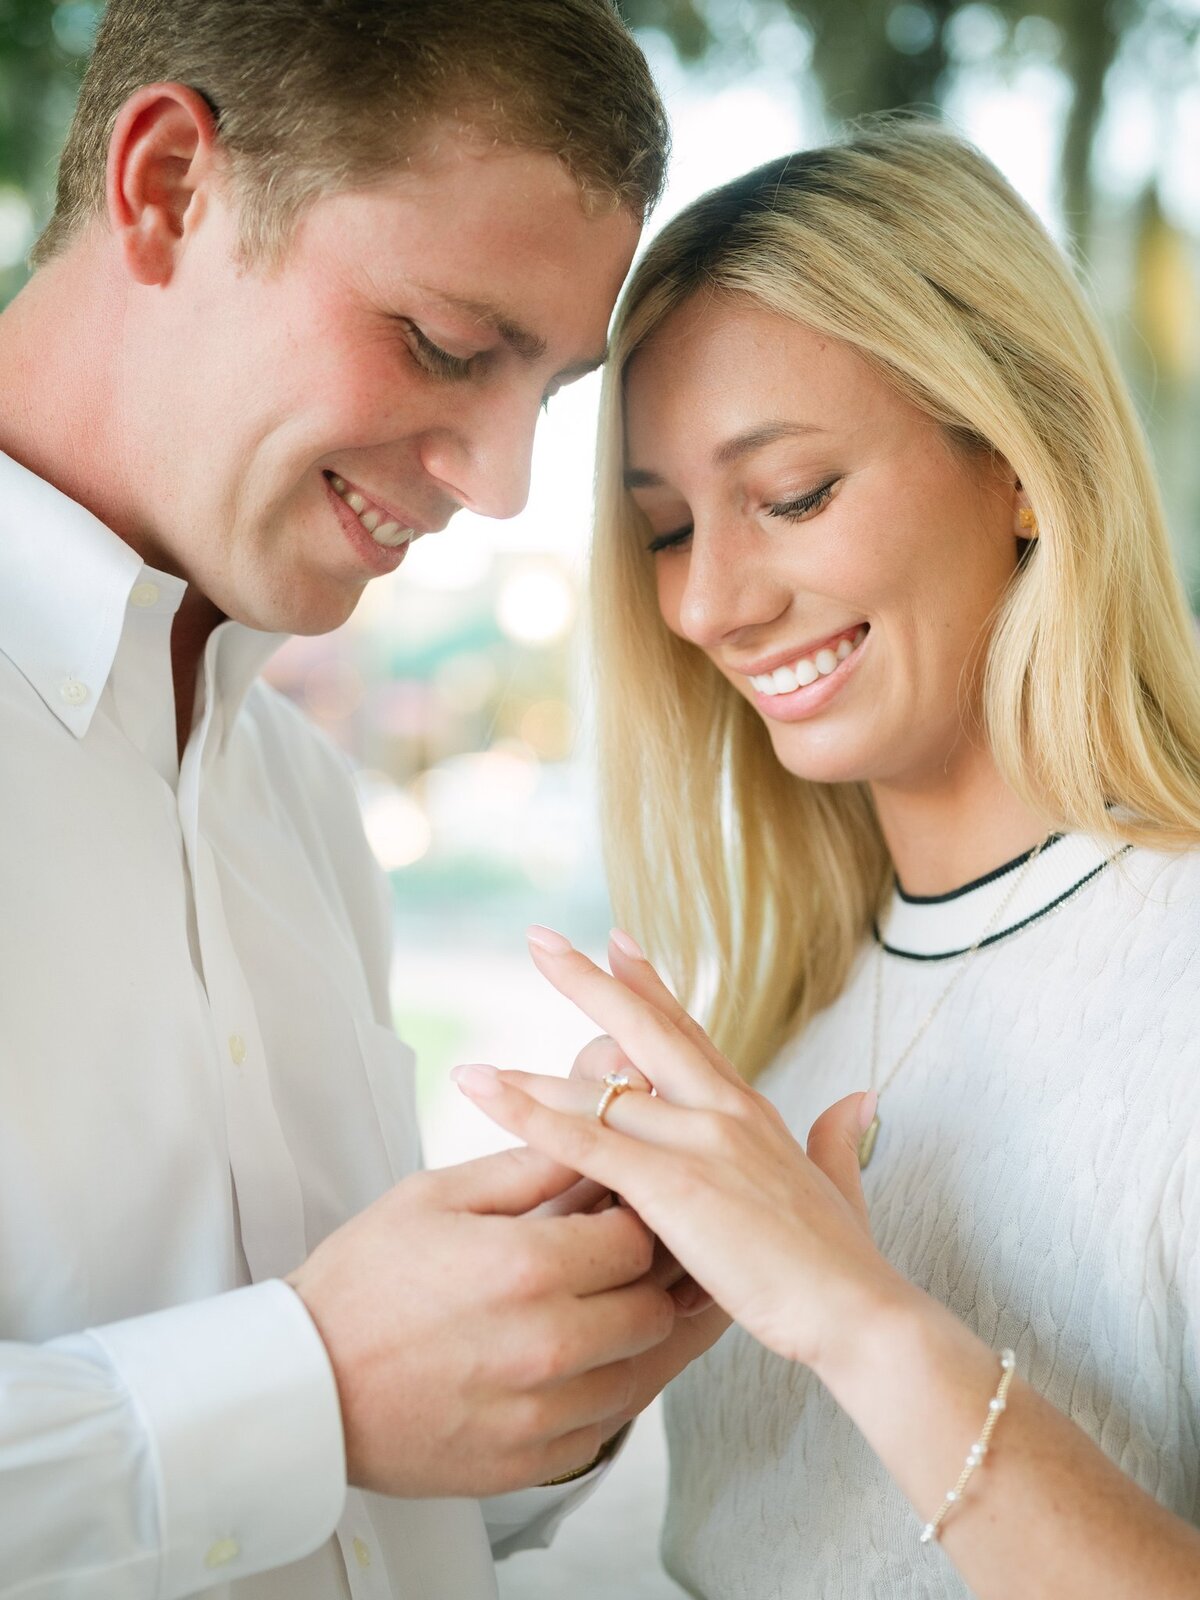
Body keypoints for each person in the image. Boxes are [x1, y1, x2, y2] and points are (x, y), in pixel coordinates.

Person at [0, 3, 727, 1596]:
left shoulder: (303, 808)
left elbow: (358, 1506)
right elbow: (313, 1413)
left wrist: (563, 1338)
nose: (504, 480)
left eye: (545, 390)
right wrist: (309, 1385)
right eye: (451, 345)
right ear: (171, 184)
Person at [454, 120, 1200, 1597]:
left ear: (1024, 463)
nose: (711, 602)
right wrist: (572, 1347)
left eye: (792, 495)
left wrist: (857, 1314)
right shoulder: (768, 1036)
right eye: (663, 530)